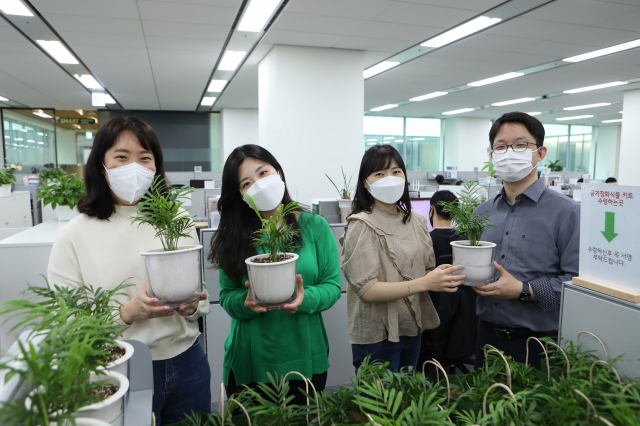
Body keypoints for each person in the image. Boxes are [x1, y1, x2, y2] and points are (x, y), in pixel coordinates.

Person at [47, 117, 210, 426]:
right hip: (117, 367)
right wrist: (126, 312)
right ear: (100, 165)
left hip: (187, 363)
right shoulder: (74, 235)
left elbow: (200, 295)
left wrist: (194, 304)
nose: (134, 166)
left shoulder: (176, 219)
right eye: (122, 157)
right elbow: (66, 322)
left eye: (145, 158)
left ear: (156, 167)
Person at [208, 144, 341, 405]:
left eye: (263, 173)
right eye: (246, 183)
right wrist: (244, 302)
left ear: (279, 172)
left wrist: (305, 297)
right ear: (240, 195)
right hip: (250, 359)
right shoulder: (233, 237)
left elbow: (333, 286)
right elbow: (226, 296)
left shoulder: (315, 226)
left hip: (306, 353)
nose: (258, 185)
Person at [340, 145, 465, 373]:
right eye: (379, 173)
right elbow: (367, 290)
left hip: (412, 329)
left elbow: (426, 270)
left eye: (396, 171)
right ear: (366, 184)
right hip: (376, 336)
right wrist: (425, 283)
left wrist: (443, 277)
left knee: (407, 403)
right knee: (381, 405)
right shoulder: (361, 224)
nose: (390, 178)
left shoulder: (416, 222)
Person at [472, 112, 580, 369]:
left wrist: (524, 291)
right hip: (486, 338)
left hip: (540, 345)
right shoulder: (481, 213)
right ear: (492, 155)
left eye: (520, 145)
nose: (510, 152)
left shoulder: (566, 213)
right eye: (501, 146)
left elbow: (577, 286)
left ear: (540, 153)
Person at [418, 190, 478, 375]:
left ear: (432, 210)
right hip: (464, 322)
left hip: (432, 321)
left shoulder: (425, 241)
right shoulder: (467, 242)